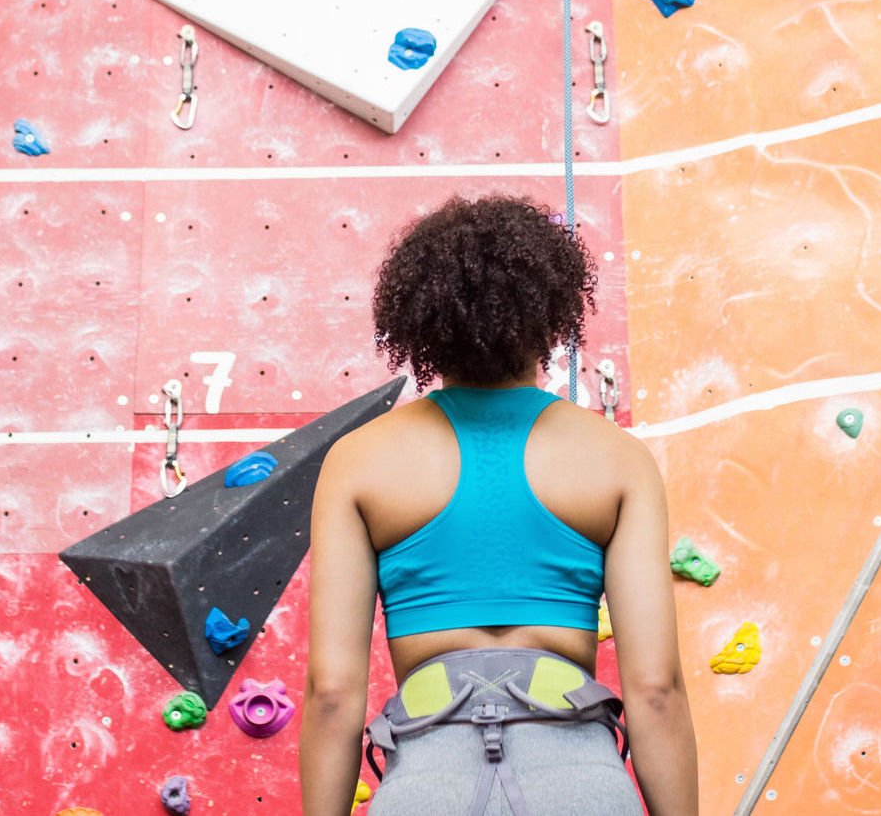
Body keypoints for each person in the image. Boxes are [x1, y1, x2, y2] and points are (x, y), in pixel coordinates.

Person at [299, 194, 698, 816]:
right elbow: (655, 691)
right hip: (581, 783)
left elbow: (331, 695)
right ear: (551, 315)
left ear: (424, 324)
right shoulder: (617, 458)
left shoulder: (359, 462)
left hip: (429, 785)